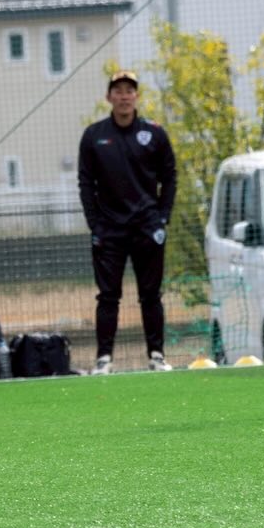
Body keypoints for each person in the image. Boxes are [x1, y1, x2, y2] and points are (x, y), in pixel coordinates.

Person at [78, 71, 177, 374]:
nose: (124, 96)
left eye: (129, 91)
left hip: (147, 227)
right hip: (110, 230)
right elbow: (85, 183)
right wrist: (96, 224)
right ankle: (104, 359)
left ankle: (157, 356)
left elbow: (170, 177)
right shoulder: (95, 135)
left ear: (136, 96)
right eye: (117, 90)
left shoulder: (154, 133)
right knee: (108, 296)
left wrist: (162, 218)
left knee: (151, 295)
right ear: (109, 97)